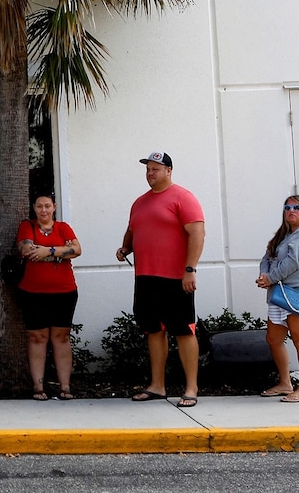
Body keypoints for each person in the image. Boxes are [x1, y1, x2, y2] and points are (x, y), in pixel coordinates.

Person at [116, 151, 205, 409]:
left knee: (183, 330)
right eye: (148, 169)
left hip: (176, 278)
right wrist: (125, 248)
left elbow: (197, 233)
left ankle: (191, 388)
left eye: (156, 169)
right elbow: (133, 230)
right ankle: (157, 386)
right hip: (146, 277)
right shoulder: (140, 202)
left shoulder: (183, 197)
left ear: (169, 171)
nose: (150, 174)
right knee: (153, 330)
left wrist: (190, 269)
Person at [256, 195, 299, 402]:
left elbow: (294, 261)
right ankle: (285, 383)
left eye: (297, 207)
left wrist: (271, 278)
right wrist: (264, 275)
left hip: (297, 294)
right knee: (274, 339)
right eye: (287, 207)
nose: (291, 210)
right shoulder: (284, 235)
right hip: (279, 295)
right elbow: (267, 256)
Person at [16, 192, 79, 400]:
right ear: (34, 208)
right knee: (37, 337)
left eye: (47, 206)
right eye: (39, 206)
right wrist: (61, 252)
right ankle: (38, 387)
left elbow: (77, 249)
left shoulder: (63, 228)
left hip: (64, 292)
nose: (44, 210)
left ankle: (65, 387)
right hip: (33, 293)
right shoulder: (28, 226)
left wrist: (47, 251)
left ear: (54, 207)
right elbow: (26, 249)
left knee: (61, 337)